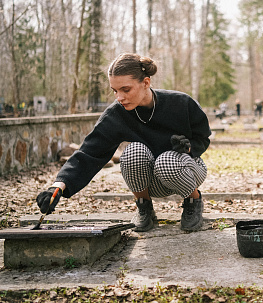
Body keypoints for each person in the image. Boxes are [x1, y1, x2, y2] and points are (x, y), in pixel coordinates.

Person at [36, 53, 211, 232]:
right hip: (153, 181)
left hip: (187, 171)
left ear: (146, 83)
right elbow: (89, 152)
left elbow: (203, 137)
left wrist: (188, 147)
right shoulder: (116, 114)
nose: (119, 97)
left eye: (125, 90)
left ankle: (193, 201)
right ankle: (144, 207)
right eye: (115, 90)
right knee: (132, 152)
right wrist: (57, 186)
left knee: (166, 160)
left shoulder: (180, 103)